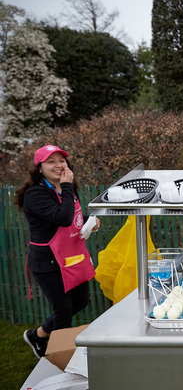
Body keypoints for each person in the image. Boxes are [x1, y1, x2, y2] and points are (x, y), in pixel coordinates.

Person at [15, 145, 100, 358]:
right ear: (40, 168)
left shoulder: (67, 188)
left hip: (73, 257)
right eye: (50, 161)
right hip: (49, 262)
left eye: (61, 160)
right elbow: (62, 218)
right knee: (63, 311)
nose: (58, 165)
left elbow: (72, 218)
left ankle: (37, 335)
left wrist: (88, 224)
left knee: (80, 303)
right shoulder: (35, 194)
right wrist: (67, 185)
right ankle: (61, 360)